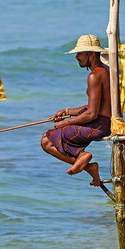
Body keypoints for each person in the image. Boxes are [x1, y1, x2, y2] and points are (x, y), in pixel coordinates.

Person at [41, 34, 112, 186]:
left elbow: (92, 114)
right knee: (49, 138)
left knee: (46, 140)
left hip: (99, 125)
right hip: (102, 122)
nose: (77, 57)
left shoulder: (94, 75)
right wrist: (67, 111)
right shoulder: (104, 71)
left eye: (80, 53)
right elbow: (95, 107)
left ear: (90, 54)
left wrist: (65, 123)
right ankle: (88, 166)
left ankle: (85, 160)